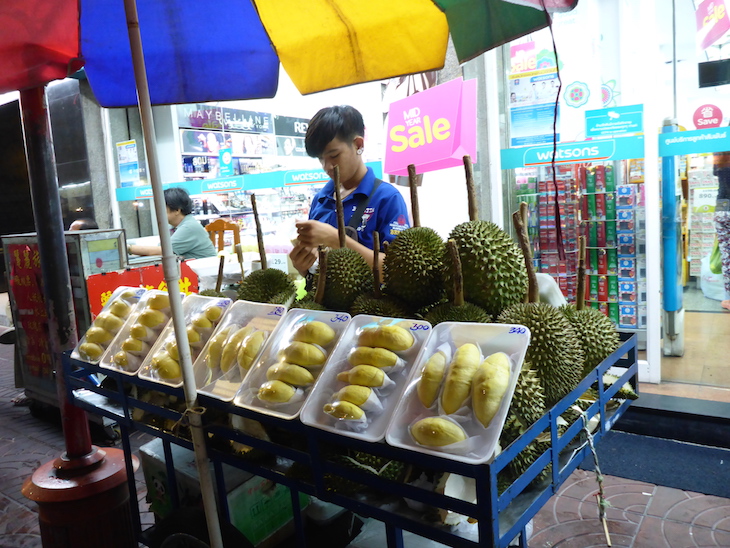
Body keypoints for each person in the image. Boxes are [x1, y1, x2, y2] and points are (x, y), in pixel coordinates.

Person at [289, 105, 410, 277]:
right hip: (323, 302)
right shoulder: (320, 200)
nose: (327, 167)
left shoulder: (387, 198)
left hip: (372, 303)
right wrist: (302, 266)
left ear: (358, 144)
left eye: (334, 155)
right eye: (321, 159)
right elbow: (313, 270)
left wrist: (336, 240)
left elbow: (400, 272)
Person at [127, 187, 217, 260]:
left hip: (204, 278)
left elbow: (163, 251)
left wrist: (127, 248)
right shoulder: (175, 227)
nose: (158, 212)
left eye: (162, 208)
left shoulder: (189, 227)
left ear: (177, 210)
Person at [714, 150, 730, 311]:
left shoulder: (720, 149)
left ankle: (729, 298)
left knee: (726, 256)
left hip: (721, 208)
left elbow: (716, 172)